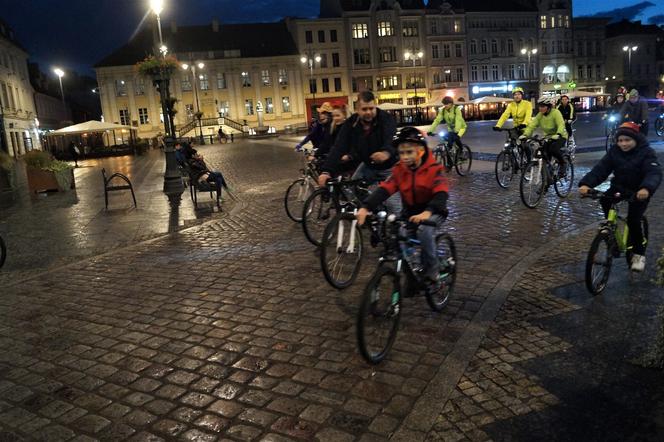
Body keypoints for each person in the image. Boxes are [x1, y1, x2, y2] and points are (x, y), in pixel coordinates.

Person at [356, 127, 449, 284]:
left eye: (409, 152)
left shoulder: (434, 169)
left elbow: (441, 193)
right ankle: (411, 274)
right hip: (410, 213)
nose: (404, 157)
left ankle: (433, 268)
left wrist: (428, 212)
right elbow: (385, 189)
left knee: (424, 232)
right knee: (398, 236)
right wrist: (366, 207)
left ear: (420, 151)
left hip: (433, 212)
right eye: (401, 153)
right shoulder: (400, 170)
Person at [578, 122, 661, 271]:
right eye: (620, 140)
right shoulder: (614, 152)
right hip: (619, 187)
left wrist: (646, 188)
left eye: (627, 140)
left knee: (634, 220)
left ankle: (638, 254)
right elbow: (600, 169)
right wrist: (586, 184)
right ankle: (610, 230)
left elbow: (653, 173)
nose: (623, 144)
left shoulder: (647, 152)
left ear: (636, 139)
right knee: (604, 199)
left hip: (639, 191)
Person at [318, 90, 401, 213]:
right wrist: (326, 171)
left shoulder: (386, 119)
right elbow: (338, 147)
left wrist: (386, 153)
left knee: (393, 205)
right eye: (364, 109)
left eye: (371, 108)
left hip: (389, 167)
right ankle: (372, 213)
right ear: (357, 109)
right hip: (368, 165)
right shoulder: (351, 124)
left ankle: (396, 226)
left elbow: (392, 139)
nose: (368, 112)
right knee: (353, 190)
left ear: (375, 106)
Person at [520, 98, 568, 177]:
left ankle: (563, 163)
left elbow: (561, 124)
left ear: (549, 107)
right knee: (544, 156)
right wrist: (525, 135)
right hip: (548, 137)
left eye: (543, 106)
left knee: (553, 149)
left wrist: (558, 133)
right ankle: (546, 183)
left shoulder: (556, 113)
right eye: (539, 106)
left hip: (560, 136)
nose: (540, 108)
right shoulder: (540, 115)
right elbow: (532, 126)